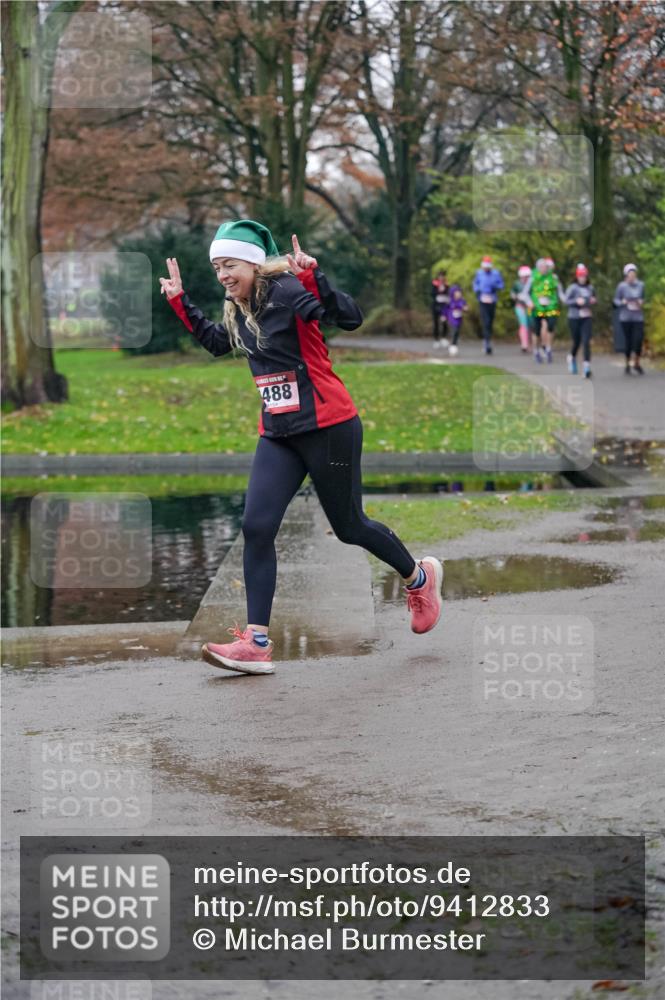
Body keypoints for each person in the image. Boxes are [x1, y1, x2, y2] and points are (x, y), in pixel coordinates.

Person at [160, 219, 444, 675]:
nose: (223, 275)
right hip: (279, 433)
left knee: (350, 527)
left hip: (329, 425)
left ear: (254, 263)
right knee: (256, 527)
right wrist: (180, 301)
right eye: (217, 268)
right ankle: (256, 644)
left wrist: (314, 278)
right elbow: (216, 343)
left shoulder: (288, 291)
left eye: (230, 265)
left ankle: (420, 577)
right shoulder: (239, 307)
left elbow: (347, 317)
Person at [563, 263, 596, 379]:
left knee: (586, 341)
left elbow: (594, 298)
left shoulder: (590, 288)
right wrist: (576, 301)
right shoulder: (572, 288)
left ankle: (586, 367)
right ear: (577, 277)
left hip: (586, 317)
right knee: (576, 341)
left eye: (584, 276)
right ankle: (571, 357)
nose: (583, 278)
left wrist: (592, 301)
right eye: (580, 276)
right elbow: (566, 301)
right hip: (574, 317)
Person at [613, 264, 646, 375]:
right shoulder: (621, 286)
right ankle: (627, 363)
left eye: (633, 274)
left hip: (638, 317)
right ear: (626, 275)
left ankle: (637, 363)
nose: (632, 276)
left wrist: (641, 302)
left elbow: (643, 298)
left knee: (638, 340)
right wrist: (622, 302)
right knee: (628, 341)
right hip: (625, 318)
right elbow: (615, 301)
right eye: (630, 275)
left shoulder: (641, 285)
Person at [528, 257, 561, 363]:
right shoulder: (532, 278)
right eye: (541, 267)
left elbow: (560, 292)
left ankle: (548, 348)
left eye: (545, 266)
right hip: (536, 308)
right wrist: (530, 302)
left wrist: (567, 300)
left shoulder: (553, 277)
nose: (544, 268)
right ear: (537, 268)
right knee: (536, 331)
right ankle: (536, 350)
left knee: (550, 326)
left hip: (550, 307)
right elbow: (525, 293)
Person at [472, 256, 504, 354]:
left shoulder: (496, 273)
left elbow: (501, 285)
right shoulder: (479, 273)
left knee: (490, 321)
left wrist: (495, 286)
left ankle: (488, 339)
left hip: (492, 299)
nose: (486, 269)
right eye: (484, 267)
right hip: (482, 300)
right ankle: (487, 342)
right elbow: (475, 284)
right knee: (485, 321)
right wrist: (478, 290)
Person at [510, 266, 533, 353]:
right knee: (523, 324)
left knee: (530, 324)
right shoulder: (517, 284)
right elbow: (512, 294)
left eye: (527, 276)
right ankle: (524, 344)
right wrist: (516, 296)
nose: (525, 278)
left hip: (529, 307)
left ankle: (530, 343)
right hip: (520, 306)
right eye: (524, 276)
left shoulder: (531, 284)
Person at [444, 284, 467, 356]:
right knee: (454, 330)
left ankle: (454, 344)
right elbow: (445, 309)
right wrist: (444, 316)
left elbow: (465, 307)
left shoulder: (462, 300)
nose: (459, 294)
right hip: (451, 318)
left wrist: (465, 308)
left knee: (457, 332)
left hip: (459, 318)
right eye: (457, 292)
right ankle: (453, 345)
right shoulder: (450, 301)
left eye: (459, 292)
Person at [431, 270, 451, 348]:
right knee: (436, 323)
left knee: (444, 322)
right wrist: (438, 291)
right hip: (436, 306)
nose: (441, 277)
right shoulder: (434, 284)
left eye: (443, 276)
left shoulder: (447, 285)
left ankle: (444, 338)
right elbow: (432, 294)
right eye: (440, 276)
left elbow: (449, 294)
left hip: (444, 306)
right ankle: (436, 340)